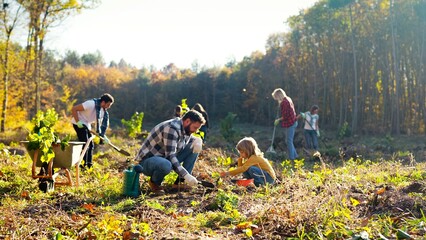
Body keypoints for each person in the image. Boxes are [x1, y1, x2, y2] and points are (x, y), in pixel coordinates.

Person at [135, 110, 205, 194]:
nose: (195, 131)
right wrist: (186, 175)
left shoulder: (184, 129)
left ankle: (180, 182)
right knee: (165, 164)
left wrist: (198, 140)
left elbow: (187, 140)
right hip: (148, 162)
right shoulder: (171, 129)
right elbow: (171, 156)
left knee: (193, 147)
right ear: (187, 121)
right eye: (195, 128)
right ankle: (155, 183)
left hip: (165, 159)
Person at [71, 93, 114, 169]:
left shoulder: (102, 112)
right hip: (78, 122)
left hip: (87, 124)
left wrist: (103, 136)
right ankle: (82, 165)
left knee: (91, 144)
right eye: (108, 105)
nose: (108, 107)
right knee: (85, 142)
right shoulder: (90, 104)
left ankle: (89, 165)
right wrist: (78, 122)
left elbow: (99, 126)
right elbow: (74, 109)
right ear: (103, 102)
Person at [272, 88, 298, 160]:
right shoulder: (288, 99)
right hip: (293, 121)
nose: (276, 99)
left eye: (276, 97)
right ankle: (295, 156)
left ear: (279, 95)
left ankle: (291, 158)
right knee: (289, 140)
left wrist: (278, 120)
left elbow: (285, 115)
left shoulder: (284, 102)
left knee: (288, 141)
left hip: (291, 123)